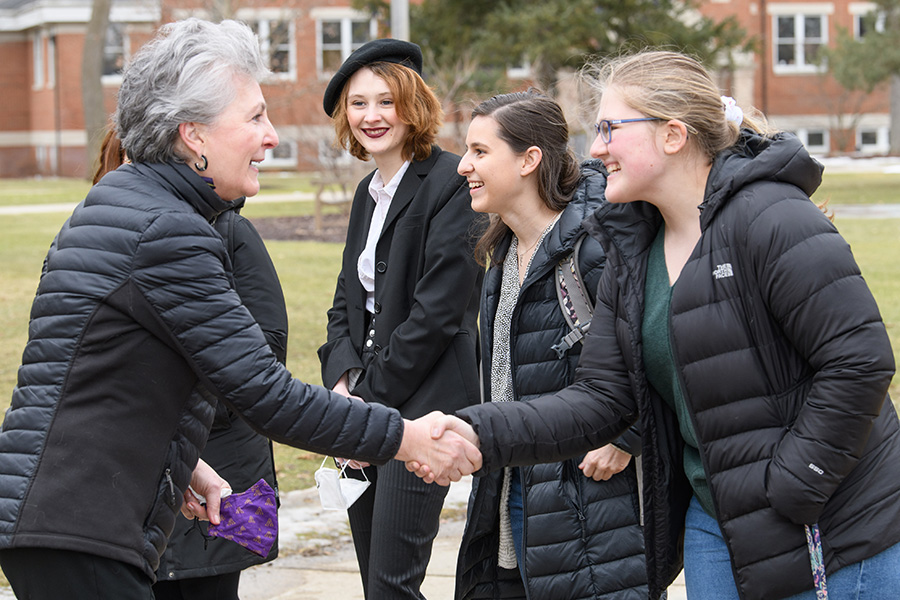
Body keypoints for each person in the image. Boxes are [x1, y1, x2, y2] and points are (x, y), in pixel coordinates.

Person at [0, 19, 478, 600]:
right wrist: (404, 435)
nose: (272, 136)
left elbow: (103, 373)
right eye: (254, 117)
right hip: (80, 522)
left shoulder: (127, 205)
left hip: (68, 514)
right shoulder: (167, 231)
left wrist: (179, 464)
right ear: (193, 135)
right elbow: (265, 391)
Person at [412, 50, 900, 600]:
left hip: (831, 524)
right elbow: (600, 399)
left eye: (610, 129)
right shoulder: (634, 247)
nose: (594, 149)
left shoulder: (772, 218)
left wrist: (793, 484)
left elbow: (860, 362)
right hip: (715, 521)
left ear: (672, 135)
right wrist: (477, 431)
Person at [454, 90, 649, 599]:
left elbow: (657, 354)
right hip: (507, 491)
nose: (462, 166)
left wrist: (626, 439)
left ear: (528, 159)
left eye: (479, 151)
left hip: (587, 503)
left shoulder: (594, 246)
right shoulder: (501, 254)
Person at [317, 38, 483, 599]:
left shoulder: (450, 183)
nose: (371, 117)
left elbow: (436, 316)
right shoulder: (369, 191)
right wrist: (341, 386)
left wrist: (368, 405)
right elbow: (346, 298)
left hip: (422, 407)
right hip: (363, 404)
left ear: (412, 106)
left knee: (392, 583)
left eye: (385, 102)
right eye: (358, 104)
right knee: (373, 579)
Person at [91, 126, 287, 599]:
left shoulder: (228, 231)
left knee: (207, 588)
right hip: (134, 465)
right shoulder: (98, 240)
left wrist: (182, 413)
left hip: (220, 458)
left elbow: (266, 344)